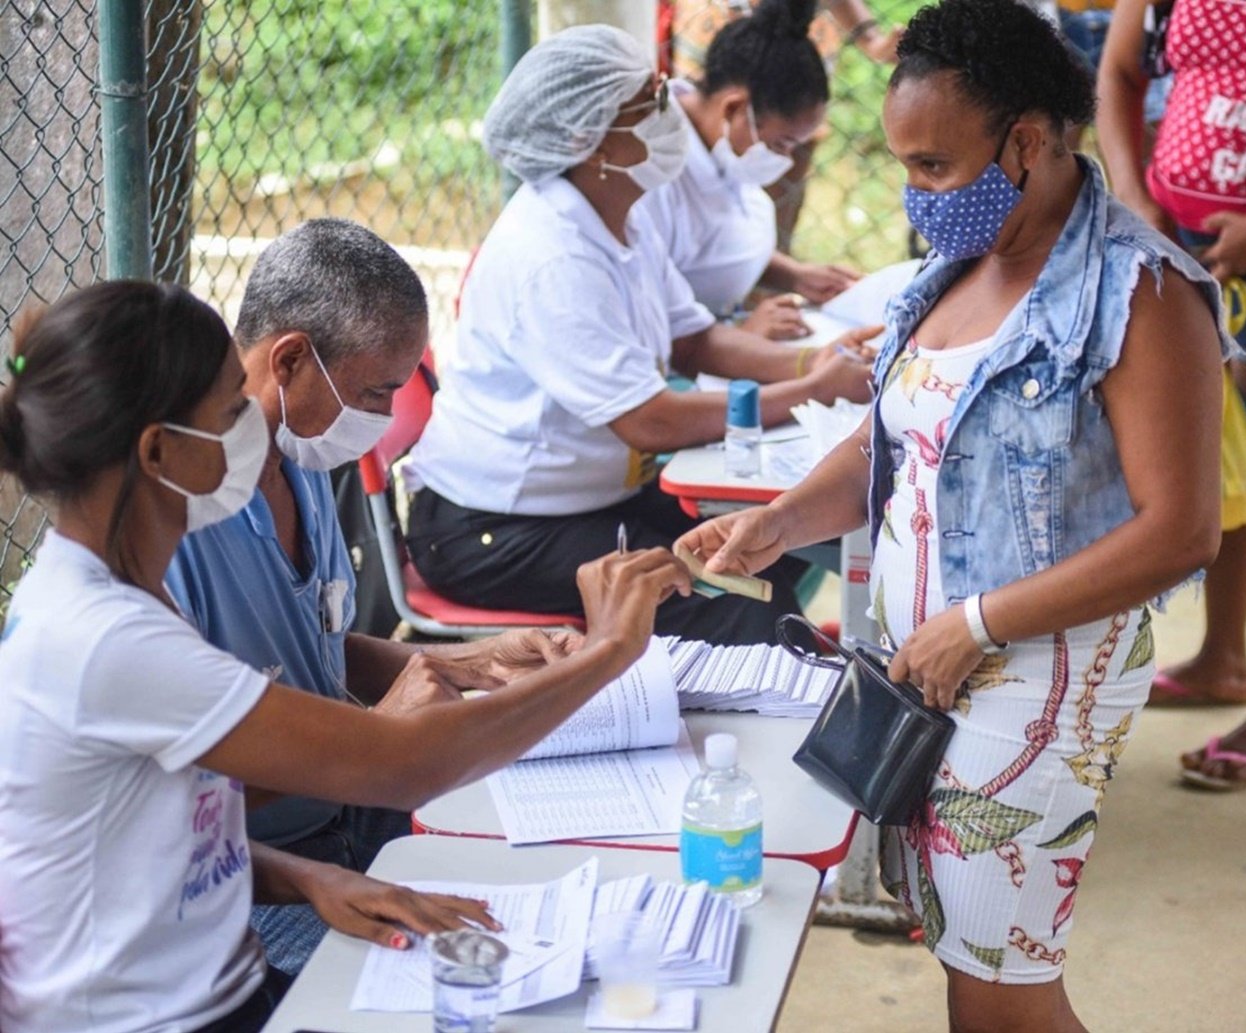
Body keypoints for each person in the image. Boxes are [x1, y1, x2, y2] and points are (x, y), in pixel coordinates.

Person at [677, 0, 1226, 1026]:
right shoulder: (954, 271)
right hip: (922, 669)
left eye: (932, 166)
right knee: (969, 968)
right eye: (903, 166)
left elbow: (1179, 530)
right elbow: (897, 441)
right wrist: (779, 520)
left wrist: (972, 626)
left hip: (1034, 681)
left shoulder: (1137, 294)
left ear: (1024, 141)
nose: (913, 194)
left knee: (1001, 995)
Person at [0, 280, 689, 1032]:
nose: (251, 430)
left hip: (218, 982)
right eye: (231, 412)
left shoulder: (119, 594)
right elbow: (399, 762)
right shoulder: (105, 637)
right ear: (160, 450)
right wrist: (607, 652)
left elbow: (159, 824)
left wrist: (309, 878)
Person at [161, 218, 580, 974]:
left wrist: (466, 661)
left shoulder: (303, 463)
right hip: (253, 875)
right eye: (374, 391)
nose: (386, 419)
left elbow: (319, 649)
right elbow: (172, 804)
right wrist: (372, 741)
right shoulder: (175, 529)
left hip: (350, 820)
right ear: (290, 359)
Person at [404, 25, 874, 647]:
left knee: (771, 545)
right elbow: (650, 421)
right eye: (648, 105)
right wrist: (811, 387)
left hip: (588, 501)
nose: (671, 112)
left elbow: (696, 341)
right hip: (497, 530)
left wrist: (814, 358)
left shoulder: (620, 214)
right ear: (589, 142)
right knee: (745, 606)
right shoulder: (554, 255)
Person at [1098, 0, 1246, 788]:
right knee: (1225, 448)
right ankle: (1223, 658)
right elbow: (1117, 68)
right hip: (1183, 236)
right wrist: (1136, 201)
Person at [643, 0, 865, 341]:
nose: (787, 161)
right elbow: (637, 316)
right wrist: (742, 335)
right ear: (734, 108)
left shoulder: (722, 145)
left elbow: (710, 246)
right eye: (781, 144)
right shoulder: (652, 175)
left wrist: (793, 276)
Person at [666, 0, 904, 253]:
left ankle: (764, 265)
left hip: (792, 40)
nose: (786, 159)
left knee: (775, 156)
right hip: (721, 29)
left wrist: (871, 39)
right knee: (698, 163)